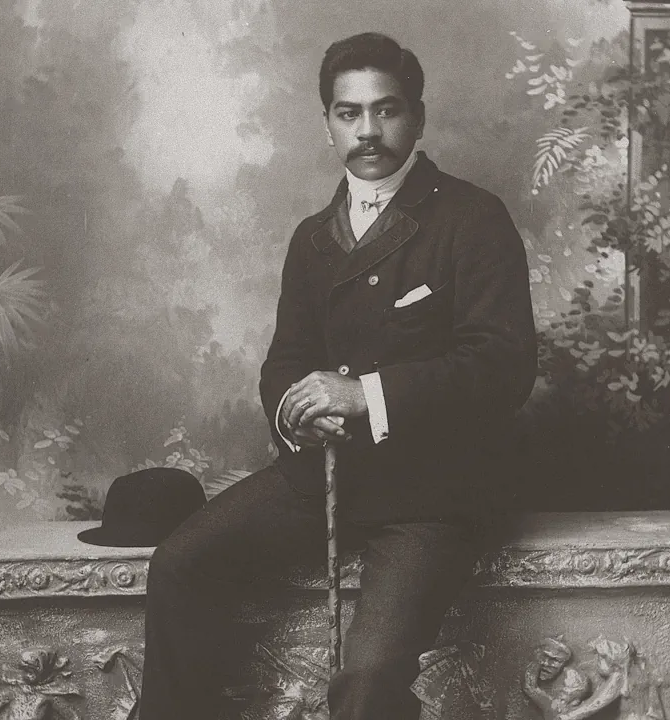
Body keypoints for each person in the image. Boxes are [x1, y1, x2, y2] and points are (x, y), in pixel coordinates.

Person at [132, 31, 536, 720]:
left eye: (387, 109)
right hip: (322, 477)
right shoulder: (312, 237)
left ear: (418, 118)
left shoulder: (472, 218)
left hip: (431, 496)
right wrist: (297, 414)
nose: (368, 130)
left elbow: (503, 366)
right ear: (328, 125)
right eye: (349, 113)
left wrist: (365, 395)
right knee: (178, 565)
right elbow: (285, 360)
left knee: (368, 677)